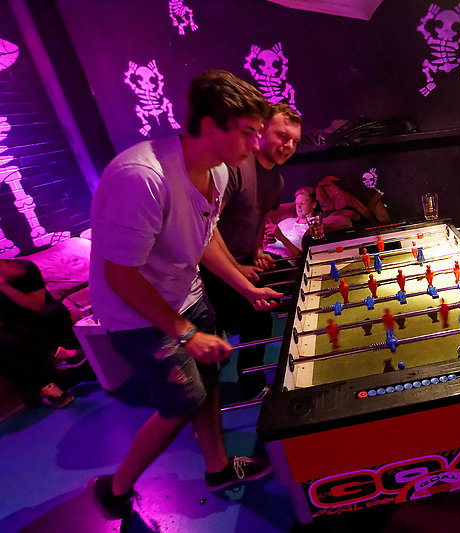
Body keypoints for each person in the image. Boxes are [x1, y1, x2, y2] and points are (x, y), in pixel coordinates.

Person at [87, 70, 283, 520]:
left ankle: (218, 469)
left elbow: (204, 236)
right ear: (211, 126)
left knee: (209, 383)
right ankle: (114, 489)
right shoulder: (143, 177)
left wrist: (246, 287)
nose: (256, 144)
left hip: (187, 295)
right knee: (183, 400)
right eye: (248, 132)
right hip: (137, 315)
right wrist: (185, 333)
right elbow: (121, 276)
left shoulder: (219, 170)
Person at [201, 102, 301, 400]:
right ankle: (207, 402)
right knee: (219, 334)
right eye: (283, 136)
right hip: (211, 266)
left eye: (295, 141)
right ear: (261, 130)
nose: (289, 146)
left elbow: (261, 216)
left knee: (259, 321)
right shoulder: (235, 169)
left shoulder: (276, 179)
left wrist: (256, 250)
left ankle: (250, 386)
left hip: (242, 261)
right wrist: (237, 268)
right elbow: (208, 227)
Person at [0, 258, 85, 408]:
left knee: (54, 313)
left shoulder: (27, 268)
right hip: (14, 327)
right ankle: (50, 385)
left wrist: (4, 286)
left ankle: (62, 356)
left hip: (39, 317)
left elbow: (35, 305)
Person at [263, 186, 318, 259]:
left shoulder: (314, 228)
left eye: (302, 203)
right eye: (296, 203)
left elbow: (301, 258)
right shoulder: (286, 222)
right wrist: (265, 242)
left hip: (281, 260)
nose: (298, 206)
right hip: (264, 254)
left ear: (313, 205)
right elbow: (267, 245)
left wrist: (282, 238)